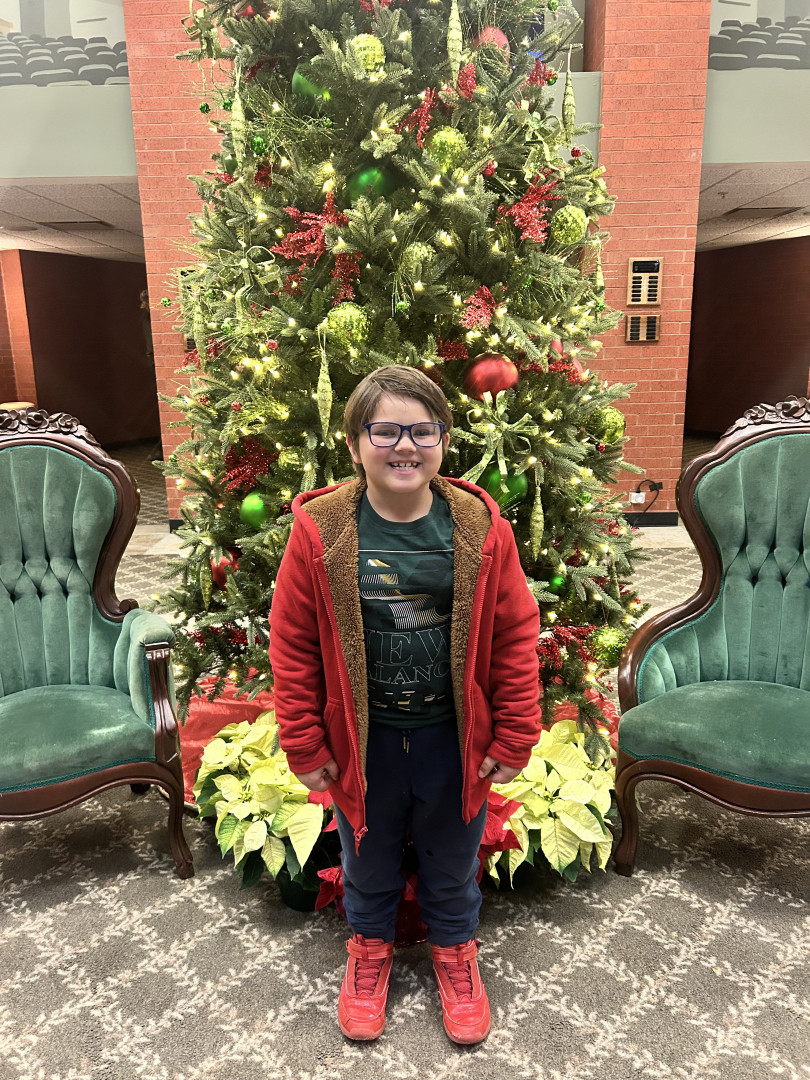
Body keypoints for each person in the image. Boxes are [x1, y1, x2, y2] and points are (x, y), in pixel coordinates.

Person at [269, 365, 541, 1045]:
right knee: (367, 856)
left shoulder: (479, 527)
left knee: (453, 857)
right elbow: (293, 641)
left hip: (454, 740)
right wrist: (304, 742)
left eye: (423, 431)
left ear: (444, 439)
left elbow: (513, 633)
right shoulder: (321, 531)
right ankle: (369, 949)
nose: (405, 446)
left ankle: (455, 952)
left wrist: (515, 734)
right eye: (385, 430)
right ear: (355, 443)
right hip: (366, 744)